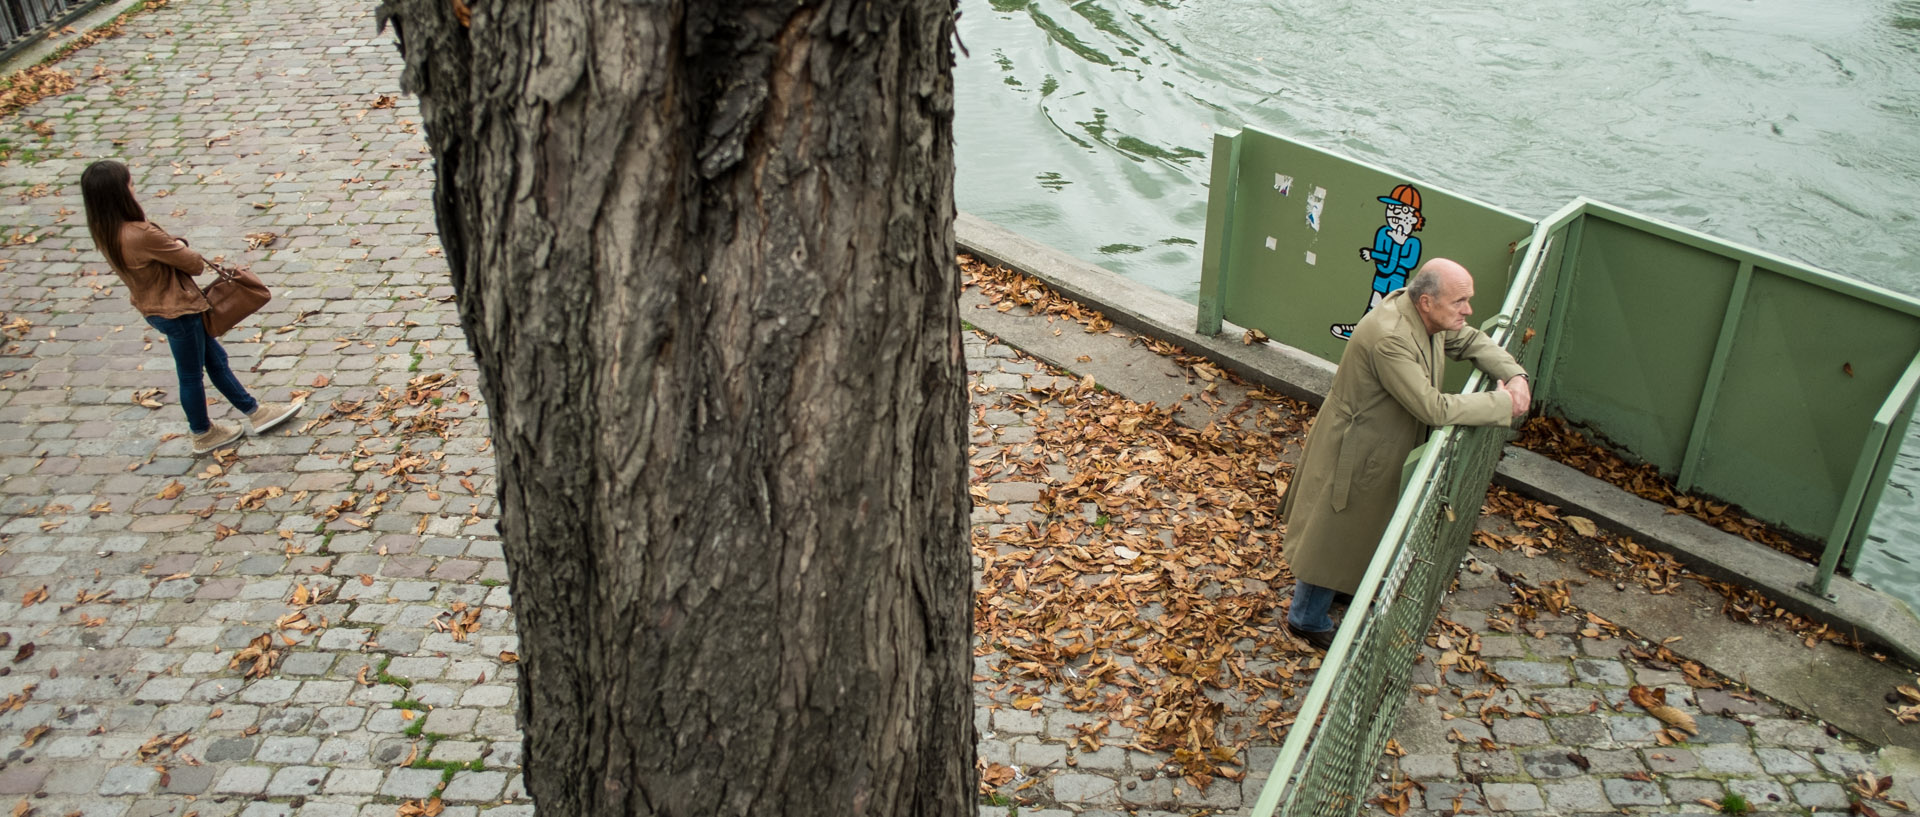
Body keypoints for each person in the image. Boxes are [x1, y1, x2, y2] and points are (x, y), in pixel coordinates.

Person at [1281, 258, 1529, 650]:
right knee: (1333, 532)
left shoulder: (1420, 315)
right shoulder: (1391, 337)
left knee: (1350, 530)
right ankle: (1307, 618)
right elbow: (1434, 408)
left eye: (1469, 300)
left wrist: (1514, 375)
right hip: (1360, 448)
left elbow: (1467, 339)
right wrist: (1501, 403)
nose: (1468, 310)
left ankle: (1338, 590)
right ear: (1427, 302)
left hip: (1381, 443)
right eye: (1460, 302)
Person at [81, 159, 301, 454]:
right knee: (191, 374)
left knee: (215, 360)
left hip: (156, 308)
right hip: (179, 310)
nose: (134, 188)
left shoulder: (103, 229)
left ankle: (255, 412)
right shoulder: (141, 234)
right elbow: (194, 264)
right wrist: (175, 243)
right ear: (120, 193)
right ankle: (203, 432)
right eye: (130, 184)